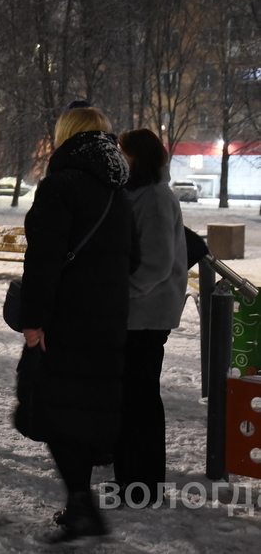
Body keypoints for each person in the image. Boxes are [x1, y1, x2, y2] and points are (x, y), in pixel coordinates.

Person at [17, 107, 134, 542]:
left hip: (65, 321)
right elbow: (134, 259)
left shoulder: (61, 186)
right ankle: (79, 504)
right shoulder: (117, 191)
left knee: (53, 410)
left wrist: (34, 321)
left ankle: (82, 506)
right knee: (84, 412)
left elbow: (43, 260)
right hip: (107, 320)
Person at [113, 128, 187, 506]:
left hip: (147, 315)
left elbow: (157, 265)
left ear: (138, 157)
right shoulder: (141, 194)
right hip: (139, 314)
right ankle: (134, 480)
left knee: (140, 399)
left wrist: (119, 291)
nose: (118, 159)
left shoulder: (155, 198)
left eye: (123, 153)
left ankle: (141, 484)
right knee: (134, 397)